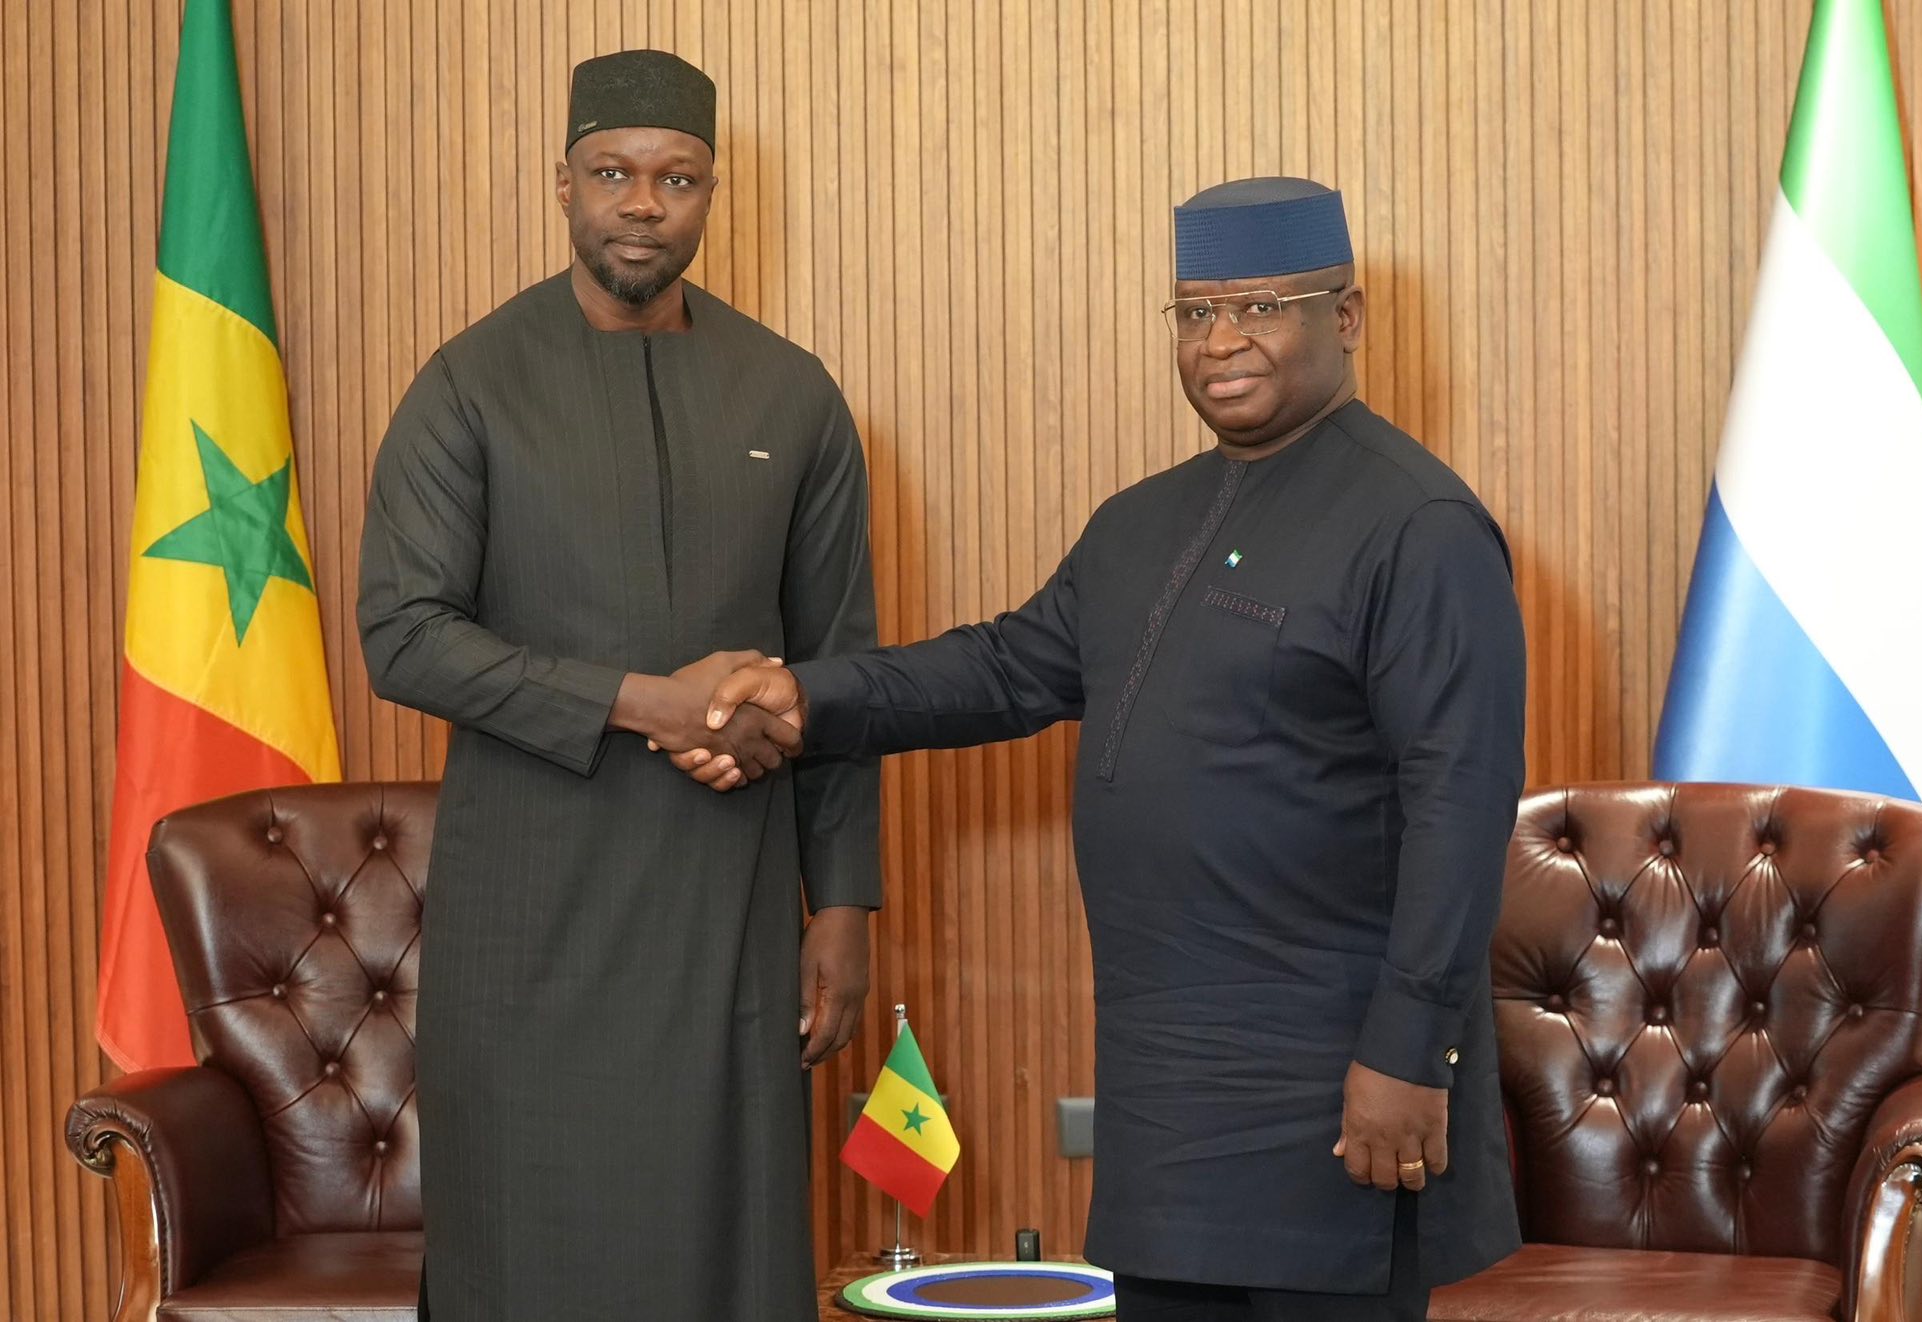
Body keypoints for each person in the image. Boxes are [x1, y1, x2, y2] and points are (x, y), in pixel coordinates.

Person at [688, 178, 1526, 1320]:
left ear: (1345, 317)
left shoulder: (1419, 527)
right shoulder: (1140, 523)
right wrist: (805, 694)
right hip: (1165, 1090)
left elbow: (1460, 805)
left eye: (1262, 307)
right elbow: (1001, 668)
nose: (1220, 341)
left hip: (1335, 1085)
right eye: (1195, 311)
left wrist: (1409, 1049)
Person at [356, 49, 879, 1320]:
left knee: (727, 1246)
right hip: (529, 913)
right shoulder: (470, 382)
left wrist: (844, 905)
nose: (642, 204)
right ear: (563, 184)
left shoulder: (791, 393)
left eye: (676, 178)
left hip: (727, 906)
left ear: (711, 193)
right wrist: (650, 701)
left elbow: (840, 668)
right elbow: (403, 634)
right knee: (529, 1253)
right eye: (612, 173)